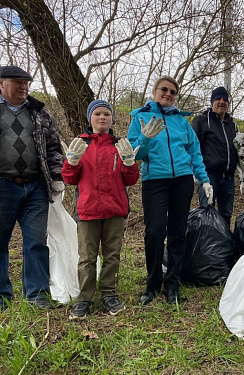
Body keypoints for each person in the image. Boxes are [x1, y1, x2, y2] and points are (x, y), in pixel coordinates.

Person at [127, 76, 213, 306]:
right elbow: (133, 155)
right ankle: (152, 283)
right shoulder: (140, 117)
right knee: (155, 231)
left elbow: (194, 152)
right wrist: (144, 139)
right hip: (155, 180)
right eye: (164, 90)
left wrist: (204, 180)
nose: (168, 94)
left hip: (183, 181)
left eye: (173, 92)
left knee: (178, 231)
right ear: (154, 91)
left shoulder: (182, 122)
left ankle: (172, 284)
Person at [62, 100, 139, 319]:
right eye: (98, 114)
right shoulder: (80, 144)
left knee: (112, 255)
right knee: (86, 257)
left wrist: (129, 163)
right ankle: (84, 299)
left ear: (112, 118)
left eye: (106, 114)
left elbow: (130, 180)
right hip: (87, 210)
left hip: (115, 209)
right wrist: (72, 162)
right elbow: (69, 179)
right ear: (90, 118)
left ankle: (109, 295)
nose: (102, 117)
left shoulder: (119, 145)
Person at [0, 66, 64, 311]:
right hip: (3, 186)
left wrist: (57, 178)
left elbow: (54, 147)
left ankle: (37, 295)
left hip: (36, 187)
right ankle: (2, 297)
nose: (24, 86)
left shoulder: (40, 113)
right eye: (17, 82)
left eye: (26, 82)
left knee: (36, 242)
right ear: (1, 84)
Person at [192, 87, 239, 227]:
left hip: (229, 177)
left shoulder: (232, 124)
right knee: (208, 212)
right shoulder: (201, 121)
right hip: (209, 175)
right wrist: (195, 172)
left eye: (225, 99)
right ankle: (207, 245)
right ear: (212, 102)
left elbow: (236, 148)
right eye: (218, 99)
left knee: (226, 214)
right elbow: (193, 146)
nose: (221, 102)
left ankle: (224, 245)